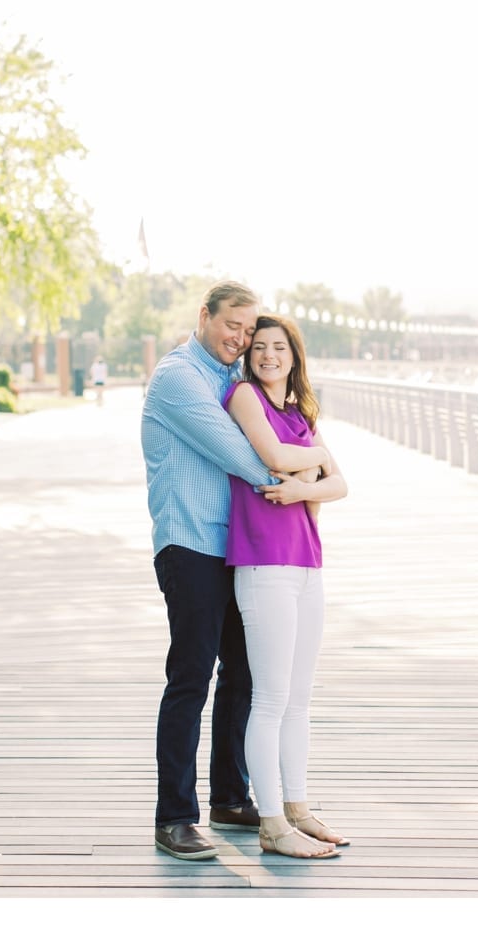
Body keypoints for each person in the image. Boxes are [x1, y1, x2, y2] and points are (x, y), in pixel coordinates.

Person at [141, 282, 330, 861]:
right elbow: (247, 458)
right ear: (205, 316)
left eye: (250, 333)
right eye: (234, 327)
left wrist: (307, 469)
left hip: (239, 550)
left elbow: (275, 436)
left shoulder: (232, 380)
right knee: (191, 676)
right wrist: (314, 467)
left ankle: (230, 795)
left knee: (245, 676)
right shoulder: (179, 379)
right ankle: (174, 816)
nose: (243, 340)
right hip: (192, 545)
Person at [224, 313, 349, 859]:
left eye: (279, 348)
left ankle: (296, 808)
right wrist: (314, 467)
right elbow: (274, 458)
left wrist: (303, 487)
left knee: (299, 699)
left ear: (295, 356)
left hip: (306, 563)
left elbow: (340, 485)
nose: (268, 355)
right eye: (260, 347)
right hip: (264, 563)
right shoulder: (245, 396)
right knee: (271, 698)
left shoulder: (301, 413)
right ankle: (272, 824)